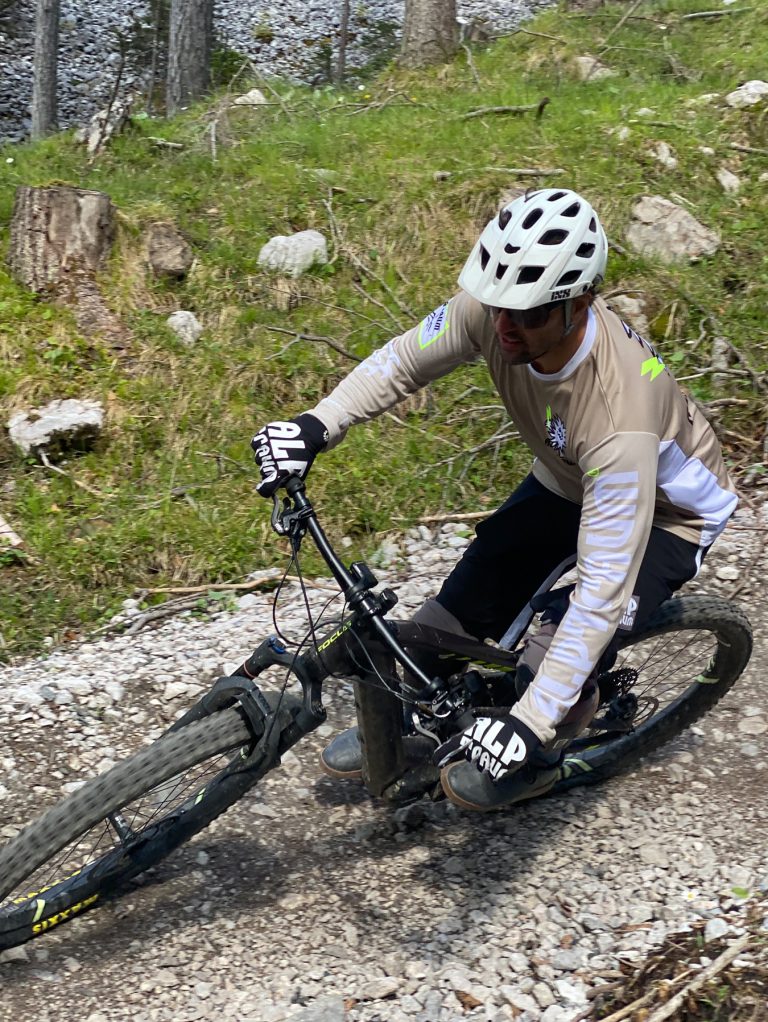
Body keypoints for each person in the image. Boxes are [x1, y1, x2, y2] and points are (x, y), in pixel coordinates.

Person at [251, 188, 738, 812]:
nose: (505, 326)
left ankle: (541, 759)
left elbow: (602, 592)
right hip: (568, 478)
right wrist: (316, 424)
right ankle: (430, 723)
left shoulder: (618, 416)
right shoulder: (499, 310)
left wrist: (530, 721)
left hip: (671, 514)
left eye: (528, 315)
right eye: (497, 305)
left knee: (554, 649)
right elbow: (401, 363)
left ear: (580, 303)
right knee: (450, 618)